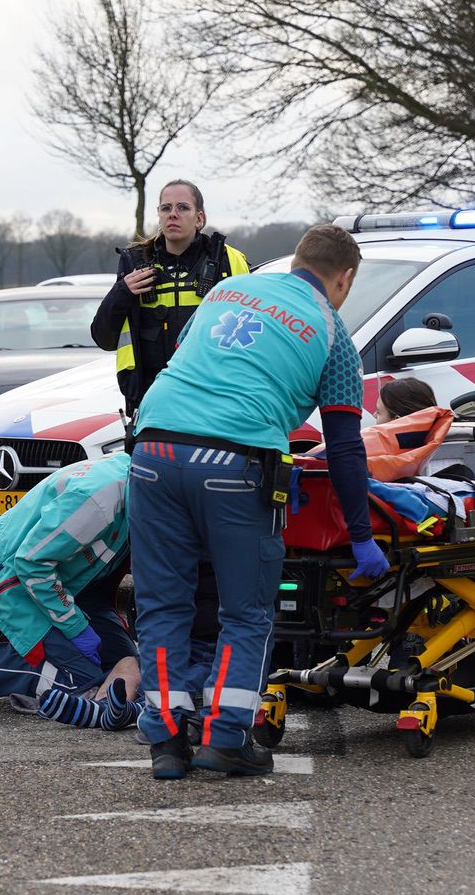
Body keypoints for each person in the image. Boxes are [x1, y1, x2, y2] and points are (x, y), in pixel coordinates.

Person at [130, 223, 390, 779]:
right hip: (236, 464)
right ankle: (226, 737)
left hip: (152, 451)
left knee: (163, 604)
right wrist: (362, 536)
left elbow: (194, 363)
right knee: (245, 611)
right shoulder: (333, 335)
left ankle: (168, 741)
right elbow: (346, 448)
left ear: (295, 261)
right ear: (343, 279)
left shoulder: (224, 292)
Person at [0, 452, 141, 729]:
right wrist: (76, 628)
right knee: (78, 681)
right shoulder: (100, 499)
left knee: (125, 667)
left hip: (75, 586)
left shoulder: (145, 482)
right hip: (18, 581)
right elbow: (32, 564)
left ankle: (0, 630)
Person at [90, 179, 252, 419]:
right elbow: (103, 338)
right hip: (152, 405)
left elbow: (253, 337)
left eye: (182, 208)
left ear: (199, 218)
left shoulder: (228, 262)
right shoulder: (135, 264)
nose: (172, 214)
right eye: (166, 208)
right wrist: (122, 291)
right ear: (159, 215)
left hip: (215, 404)